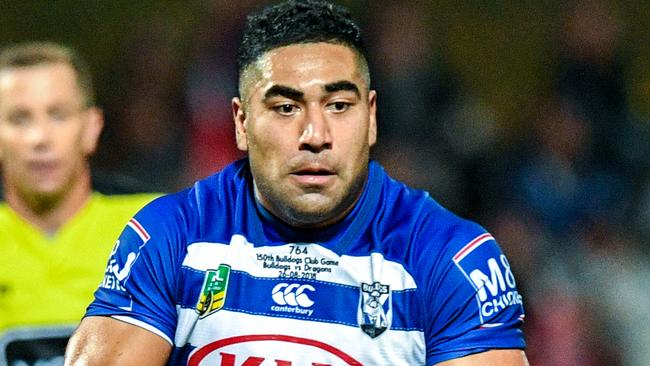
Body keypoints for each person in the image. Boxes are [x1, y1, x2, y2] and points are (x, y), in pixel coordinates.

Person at [65, 1, 528, 364]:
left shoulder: (449, 257)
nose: (315, 136)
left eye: (339, 106)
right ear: (241, 123)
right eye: (286, 108)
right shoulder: (172, 235)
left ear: (371, 118)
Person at [0, 42, 157, 363]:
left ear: (91, 128)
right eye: (19, 119)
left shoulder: (158, 227)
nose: (39, 138)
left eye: (58, 115)